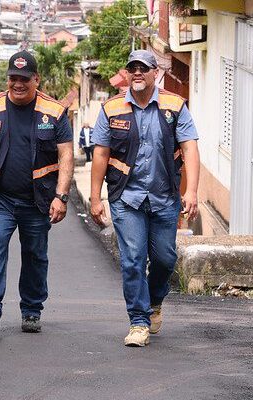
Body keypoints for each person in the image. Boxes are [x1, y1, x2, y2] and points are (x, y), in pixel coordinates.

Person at [0, 50, 74, 336]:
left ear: (36, 79)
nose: (18, 84)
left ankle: (31, 309)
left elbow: (66, 155)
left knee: (35, 253)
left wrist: (61, 196)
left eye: (24, 79)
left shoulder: (54, 112)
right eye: (13, 78)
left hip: (38, 200)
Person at [89, 49, 199, 347]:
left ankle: (154, 301)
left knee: (165, 259)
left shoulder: (174, 105)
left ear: (155, 73)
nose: (137, 73)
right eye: (132, 69)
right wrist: (95, 197)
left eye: (143, 68)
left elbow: (189, 148)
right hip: (127, 198)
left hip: (165, 197)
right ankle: (138, 321)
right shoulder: (111, 109)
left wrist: (191, 191)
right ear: (127, 74)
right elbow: (101, 154)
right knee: (133, 259)